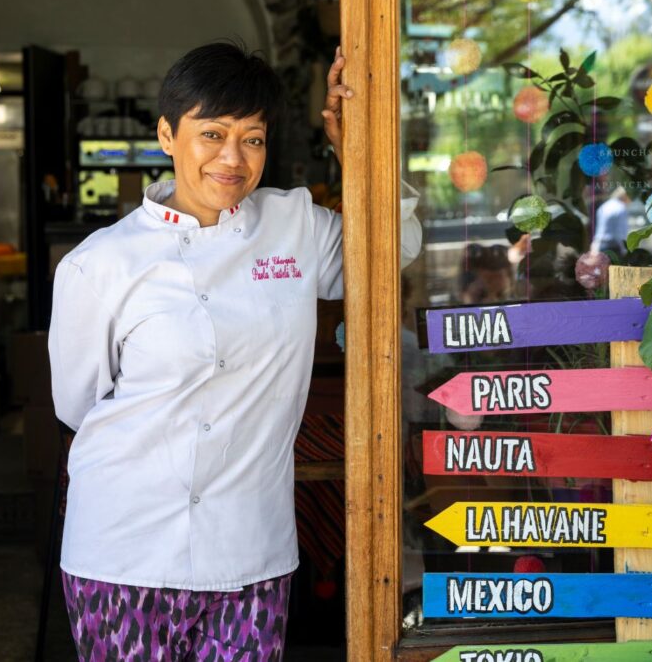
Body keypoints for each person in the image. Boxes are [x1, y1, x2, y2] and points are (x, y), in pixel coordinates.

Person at [48, 41, 420, 661]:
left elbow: (394, 247)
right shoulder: (100, 263)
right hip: (124, 551)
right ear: (167, 134)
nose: (233, 158)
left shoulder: (294, 224)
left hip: (251, 548)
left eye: (252, 138)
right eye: (212, 133)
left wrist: (357, 149)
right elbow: (79, 405)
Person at [589, 186, 631, 256]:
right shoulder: (621, 208)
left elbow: (599, 229)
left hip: (600, 245)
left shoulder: (603, 206)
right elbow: (621, 232)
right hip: (614, 247)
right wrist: (624, 250)